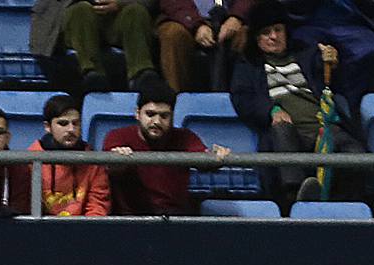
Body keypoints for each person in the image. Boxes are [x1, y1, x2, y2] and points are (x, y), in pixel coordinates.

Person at [230, 0, 366, 202]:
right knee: (281, 129)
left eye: (278, 30)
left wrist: (333, 61)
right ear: (256, 38)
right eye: (266, 32)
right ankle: (295, 197)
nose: (274, 36)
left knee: (357, 155)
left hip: (323, 128)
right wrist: (271, 111)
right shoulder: (248, 65)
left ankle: (343, 202)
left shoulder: (306, 54)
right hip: (288, 132)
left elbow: (333, 79)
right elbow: (242, 99)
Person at [102, 80, 231, 215]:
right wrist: (119, 161)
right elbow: (111, 169)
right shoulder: (118, 136)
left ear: (172, 116)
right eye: (150, 114)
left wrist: (217, 156)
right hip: (131, 221)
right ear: (137, 113)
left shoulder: (185, 137)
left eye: (164, 116)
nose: (157, 122)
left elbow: (204, 159)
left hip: (175, 219)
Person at [31, 0, 166, 93]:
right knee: (80, 10)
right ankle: (91, 73)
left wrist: (119, 3)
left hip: (121, 17)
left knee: (136, 11)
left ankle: (141, 74)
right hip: (79, 19)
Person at [29, 94, 111, 217]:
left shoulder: (93, 160)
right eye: (63, 123)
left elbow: (97, 205)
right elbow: (26, 205)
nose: (71, 129)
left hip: (83, 231)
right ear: (47, 127)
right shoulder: (30, 158)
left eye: (76, 123)